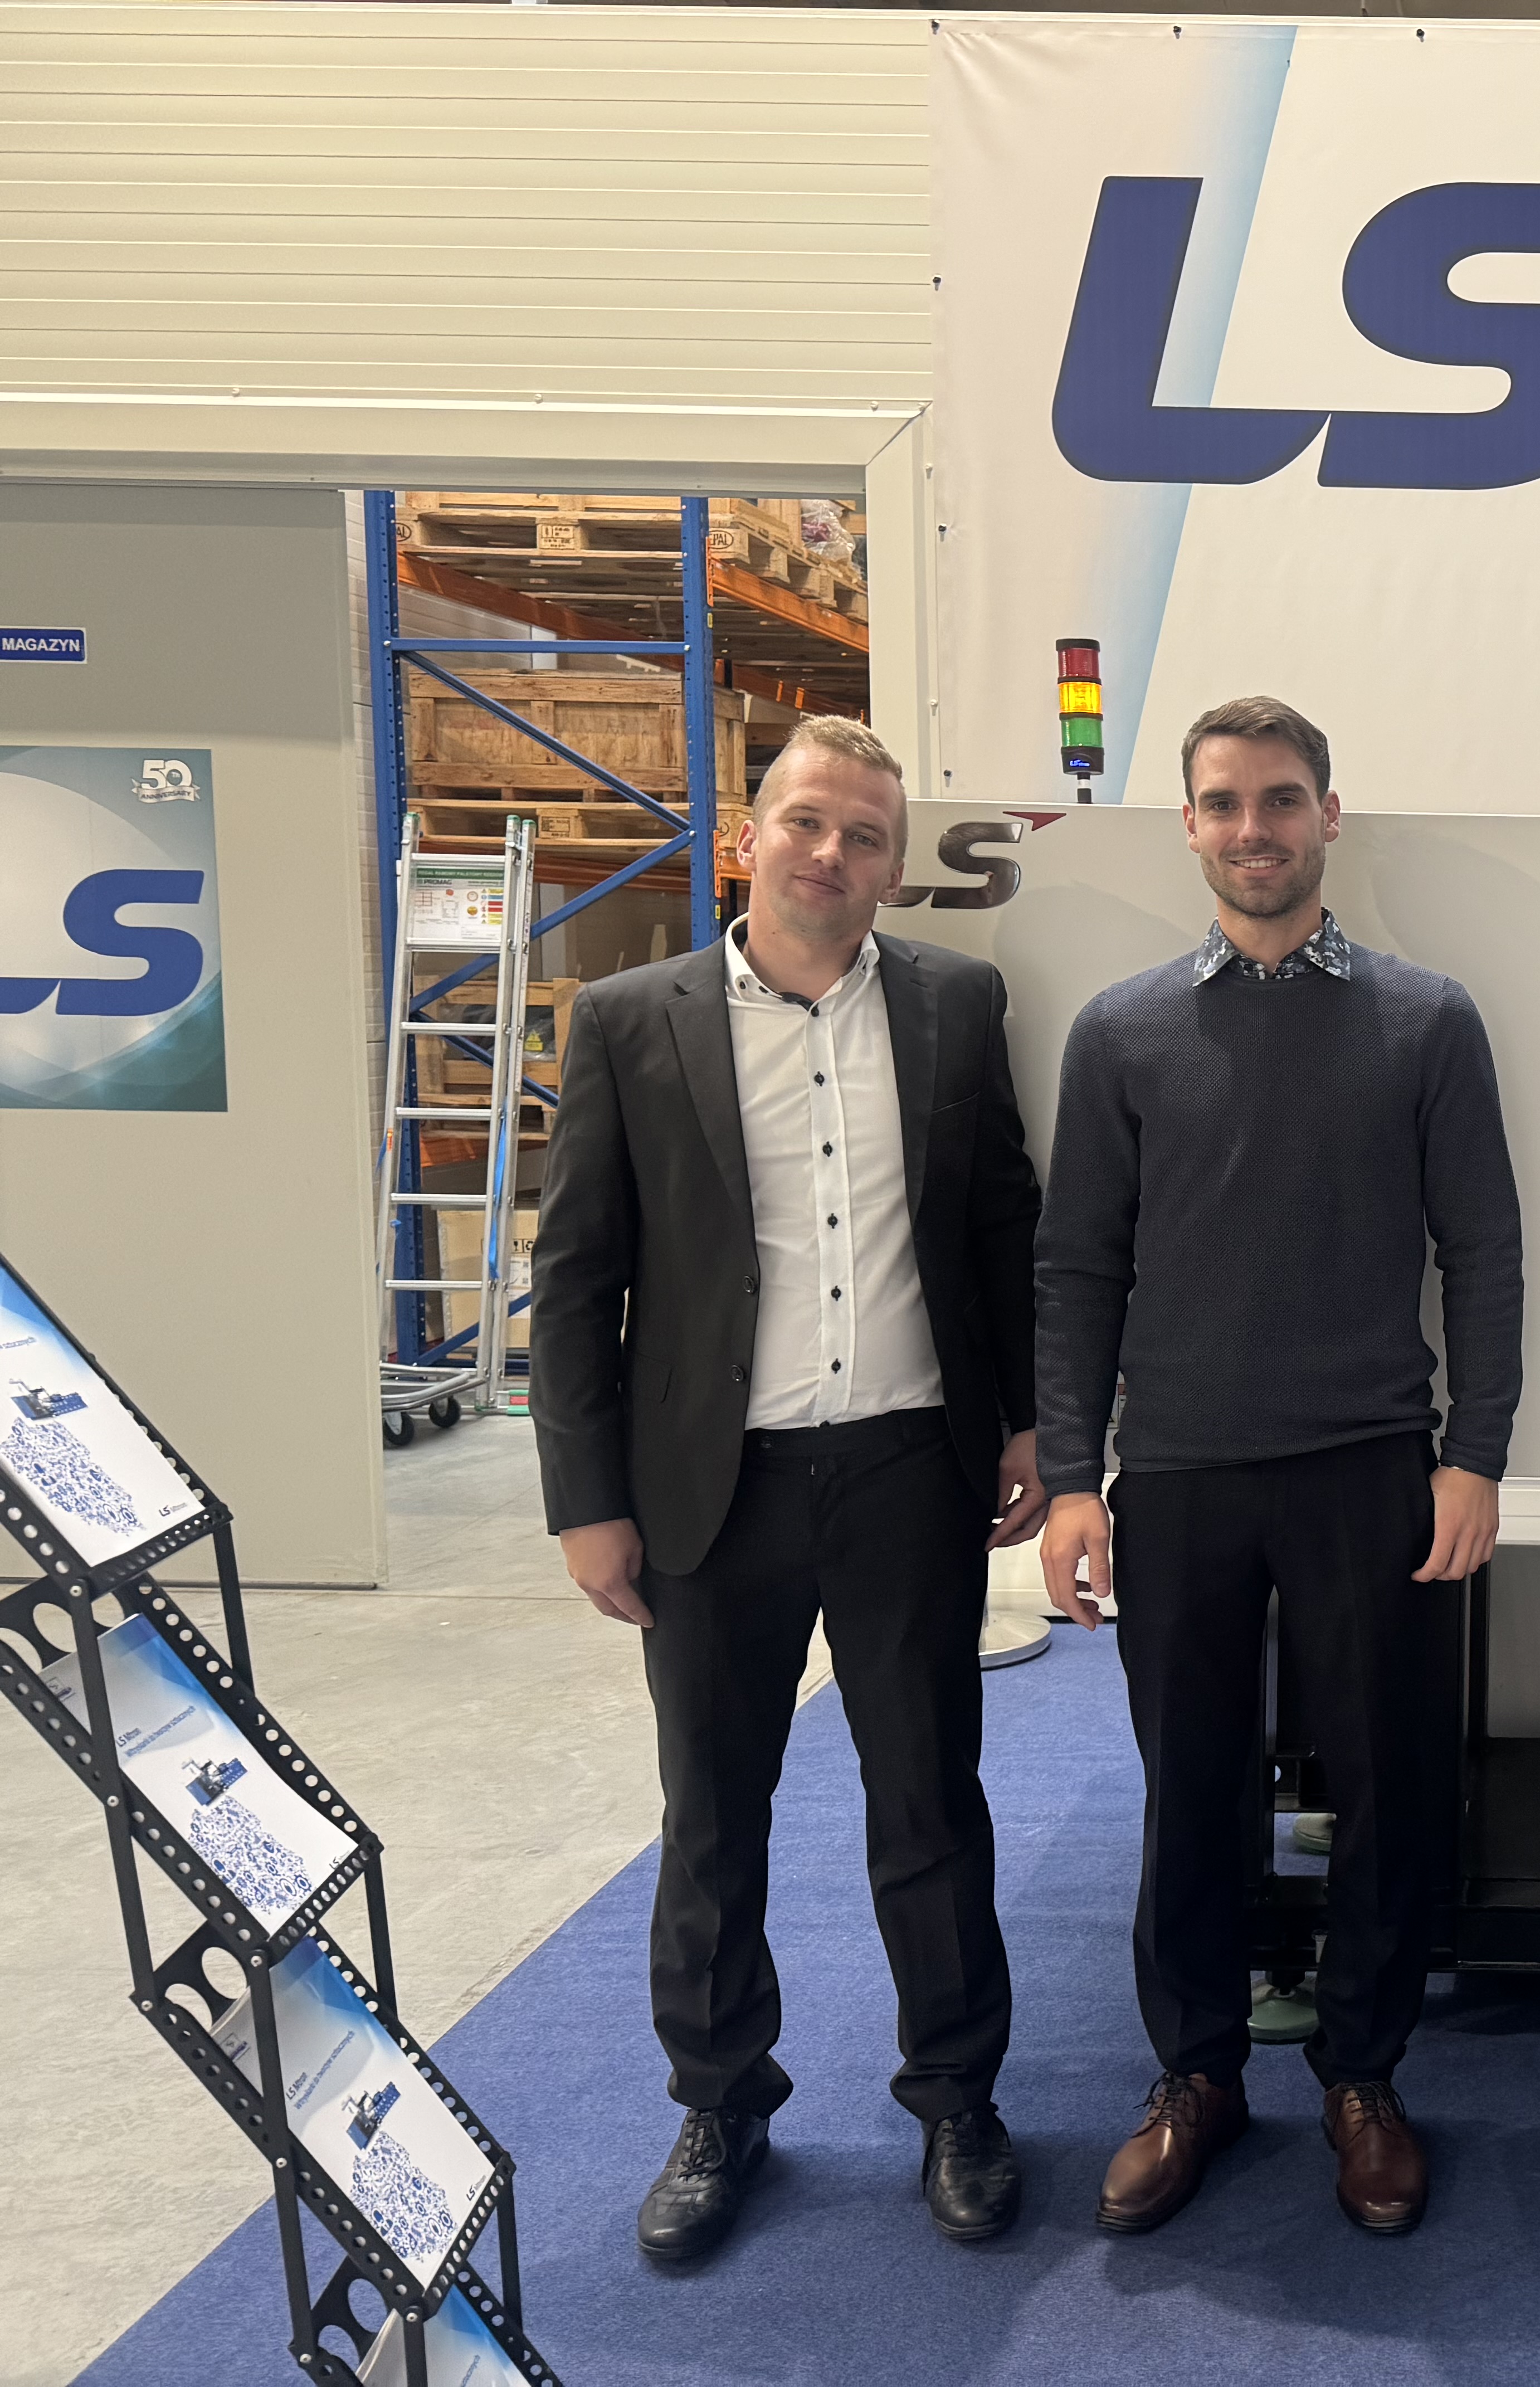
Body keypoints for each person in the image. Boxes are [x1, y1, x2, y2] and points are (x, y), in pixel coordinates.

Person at [531, 715, 1046, 2262]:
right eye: (809, 822)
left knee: (931, 1804)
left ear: (896, 864)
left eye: (865, 834)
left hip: (908, 1474)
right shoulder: (631, 1020)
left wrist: (1032, 1424)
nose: (833, 853)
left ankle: (957, 2097)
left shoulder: (958, 1004)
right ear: (748, 837)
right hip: (713, 1490)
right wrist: (585, 1499)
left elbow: (1003, 1230)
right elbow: (577, 1280)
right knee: (712, 1813)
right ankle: (720, 2099)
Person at [1035, 695, 1523, 2238]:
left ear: (1329, 815)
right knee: (1191, 1787)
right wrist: (1073, 1476)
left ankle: (1364, 2078)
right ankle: (1195, 2073)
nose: (1255, 829)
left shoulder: (1425, 1020)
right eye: (1226, 802)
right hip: (1178, 1475)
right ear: (1189, 824)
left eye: (1282, 799)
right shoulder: (1120, 1031)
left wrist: (1476, 1455)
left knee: (1381, 1788)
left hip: (1372, 1470)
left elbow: (1484, 1253)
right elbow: (1078, 1269)